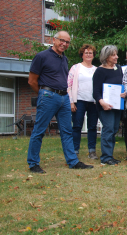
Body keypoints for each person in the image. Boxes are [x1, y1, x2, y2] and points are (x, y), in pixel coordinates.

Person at [27, 31, 93, 173]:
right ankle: (33, 163)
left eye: (67, 42)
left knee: (67, 131)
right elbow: (32, 81)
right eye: (61, 40)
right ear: (54, 40)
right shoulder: (41, 56)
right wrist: (43, 94)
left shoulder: (64, 59)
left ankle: (73, 161)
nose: (64, 44)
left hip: (64, 98)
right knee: (39, 130)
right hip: (48, 96)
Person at [92, 45, 124, 165]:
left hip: (117, 105)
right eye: (113, 55)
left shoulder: (118, 68)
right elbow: (95, 91)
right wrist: (102, 102)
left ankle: (110, 155)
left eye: (116, 54)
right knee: (108, 129)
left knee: (114, 129)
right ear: (106, 57)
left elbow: (121, 85)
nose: (116, 57)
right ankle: (105, 158)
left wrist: (124, 92)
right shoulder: (100, 71)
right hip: (105, 106)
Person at [67, 44, 99, 159]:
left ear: (93, 55)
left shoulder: (97, 69)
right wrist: (71, 102)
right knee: (77, 126)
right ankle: (75, 151)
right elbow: (69, 85)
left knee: (92, 127)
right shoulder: (75, 68)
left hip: (93, 102)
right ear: (82, 55)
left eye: (91, 53)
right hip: (79, 101)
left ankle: (92, 151)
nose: (88, 55)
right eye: (86, 53)